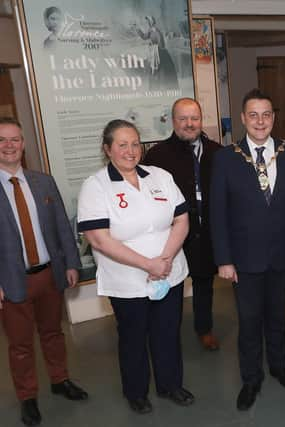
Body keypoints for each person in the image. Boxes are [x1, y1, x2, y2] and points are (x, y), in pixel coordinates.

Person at [77, 120, 193, 414]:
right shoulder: (96, 186)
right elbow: (99, 239)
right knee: (133, 337)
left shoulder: (160, 176)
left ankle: (170, 385)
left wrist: (164, 259)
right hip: (128, 281)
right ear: (107, 149)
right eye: (122, 145)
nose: (130, 151)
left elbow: (181, 220)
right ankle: (136, 392)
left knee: (168, 332)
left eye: (135, 143)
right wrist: (147, 264)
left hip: (169, 273)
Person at [210, 89, 285, 411]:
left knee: (278, 317)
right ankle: (251, 378)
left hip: (284, 254)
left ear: (274, 118)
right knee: (249, 320)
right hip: (244, 260)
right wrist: (224, 259)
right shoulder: (226, 158)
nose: (260, 121)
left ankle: (279, 366)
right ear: (243, 118)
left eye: (266, 114)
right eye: (253, 115)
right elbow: (218, 213)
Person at [0, 117, 88, 427]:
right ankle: (27, 397)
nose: (9, 145)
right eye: (2, 140)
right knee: (20, 344)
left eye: (15, 139)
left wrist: (72, 263)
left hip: (49, 275)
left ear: (23, 144)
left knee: (53, 333)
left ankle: (60, 380)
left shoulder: (43, 182)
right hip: (11, 281)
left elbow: (63, 227)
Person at [143, 98, 222, 350]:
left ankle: (204, 328)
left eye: (194, 118)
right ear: (173, 121)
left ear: (201, 119)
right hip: (171, 234)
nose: (190, 124)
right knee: (169, 286)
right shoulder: (156, 155)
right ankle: (167, 333)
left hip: (205, 231)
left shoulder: (218, 152)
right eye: (183, 119)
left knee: (203, 284)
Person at [133, 16, 179, 91]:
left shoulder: (156, 31)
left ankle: (164, 88)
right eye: (146, 22)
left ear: (151, 23)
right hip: (155, 52)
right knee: (153, 70)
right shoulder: (150, 30)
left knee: (161, 71)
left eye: (147, 22)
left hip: (160, 53)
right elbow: (144, 37)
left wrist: (153, 45)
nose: (146, 24)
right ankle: (155, 88)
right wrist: (137, 29)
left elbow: (162, 45)